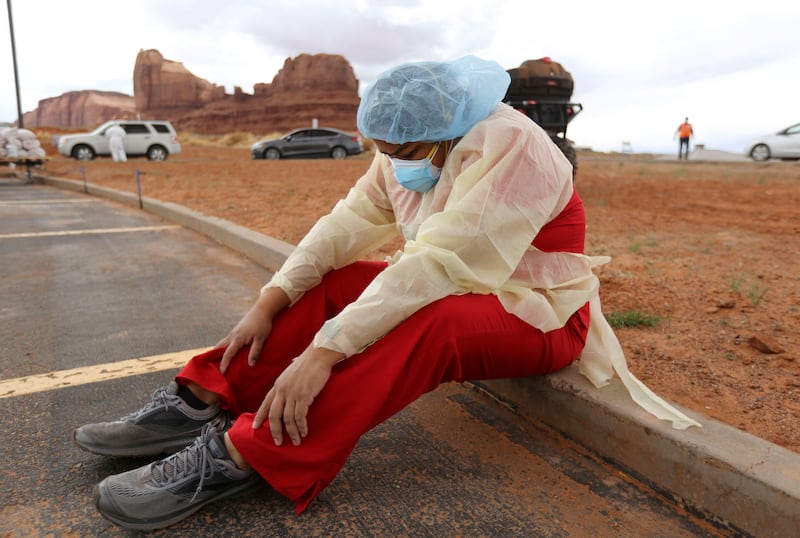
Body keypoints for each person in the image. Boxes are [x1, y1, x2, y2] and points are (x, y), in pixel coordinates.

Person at [74, 55, 700, 531]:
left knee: (436, 322)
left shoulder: (517, 148)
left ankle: (246, 454)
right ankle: (204, 396)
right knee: (337, 280)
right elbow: (346, 224)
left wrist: (324, 353)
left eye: (399, 151)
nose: (389, 161)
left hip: (541, 315)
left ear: (446, 129)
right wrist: (274, 296)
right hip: (461, 289)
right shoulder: (413, 143)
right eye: (382, 150)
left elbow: (442, 264)